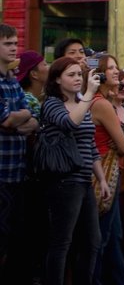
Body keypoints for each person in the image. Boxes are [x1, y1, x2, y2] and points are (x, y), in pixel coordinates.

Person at [40, 56, 109, 285]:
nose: (78, 79)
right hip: (63, 180)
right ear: (57, 79)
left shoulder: (81, 102)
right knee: (62, 241)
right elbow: (70, 123)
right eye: (71, 75)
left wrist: (102, 178)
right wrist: (89, 95)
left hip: (83, 180)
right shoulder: (51, 103)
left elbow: (89, 143)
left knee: (92, 240)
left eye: (79, 74)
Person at [0, 25, 39, 284]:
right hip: (1, 174)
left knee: (16, 239)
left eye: (15, 42)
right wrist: (19, 118)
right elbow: (7, 120)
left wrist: (20, 118)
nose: (14, 47)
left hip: (19, 173)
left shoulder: (13, 82)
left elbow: (31, 120)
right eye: (7, 43)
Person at [91, 54, 124, 285]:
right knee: (102, 237)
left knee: (113, 236)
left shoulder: (102, 101)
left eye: (116, 67)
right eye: (110, 68)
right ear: (100, 75)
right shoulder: (102, 104)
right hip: (104, 172)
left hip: (109, 171)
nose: (116, 71)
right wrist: (122, 140)